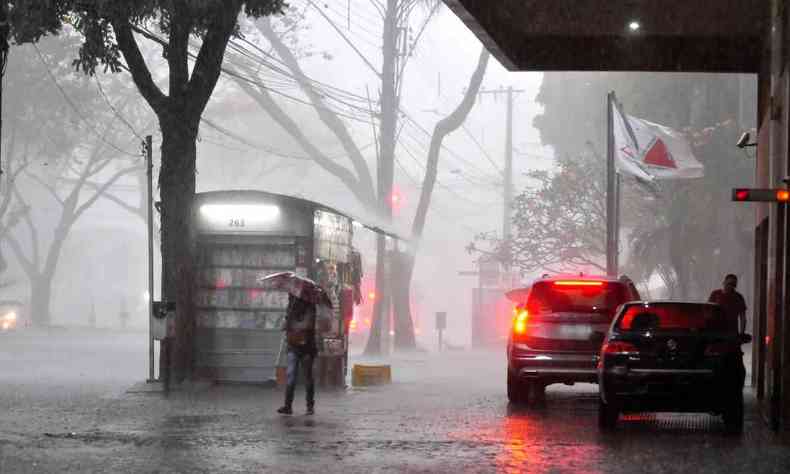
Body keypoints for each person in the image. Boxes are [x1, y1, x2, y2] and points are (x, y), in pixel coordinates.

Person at [278, 294, 318, 415]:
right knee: (290, 376)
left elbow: (308, 325)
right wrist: (287, 321)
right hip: (293, 346)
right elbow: (284, 326)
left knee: (308, 377)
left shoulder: (310, 307)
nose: (291, 299)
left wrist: (293, 324)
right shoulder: (290, 308)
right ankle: (288, 406)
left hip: (307, 348)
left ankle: (310, 406)